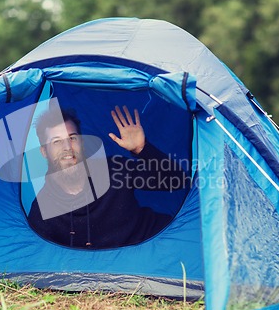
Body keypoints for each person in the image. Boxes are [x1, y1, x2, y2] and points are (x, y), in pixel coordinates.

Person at [27, 105, 189, 249]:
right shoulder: (43, 210)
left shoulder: (112, 170)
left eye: (72, 138)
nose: (67, 147)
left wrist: (142, 149)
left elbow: (176, 180)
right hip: (118, 273)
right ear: (44, 152)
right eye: (56, 142)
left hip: (160, 244)